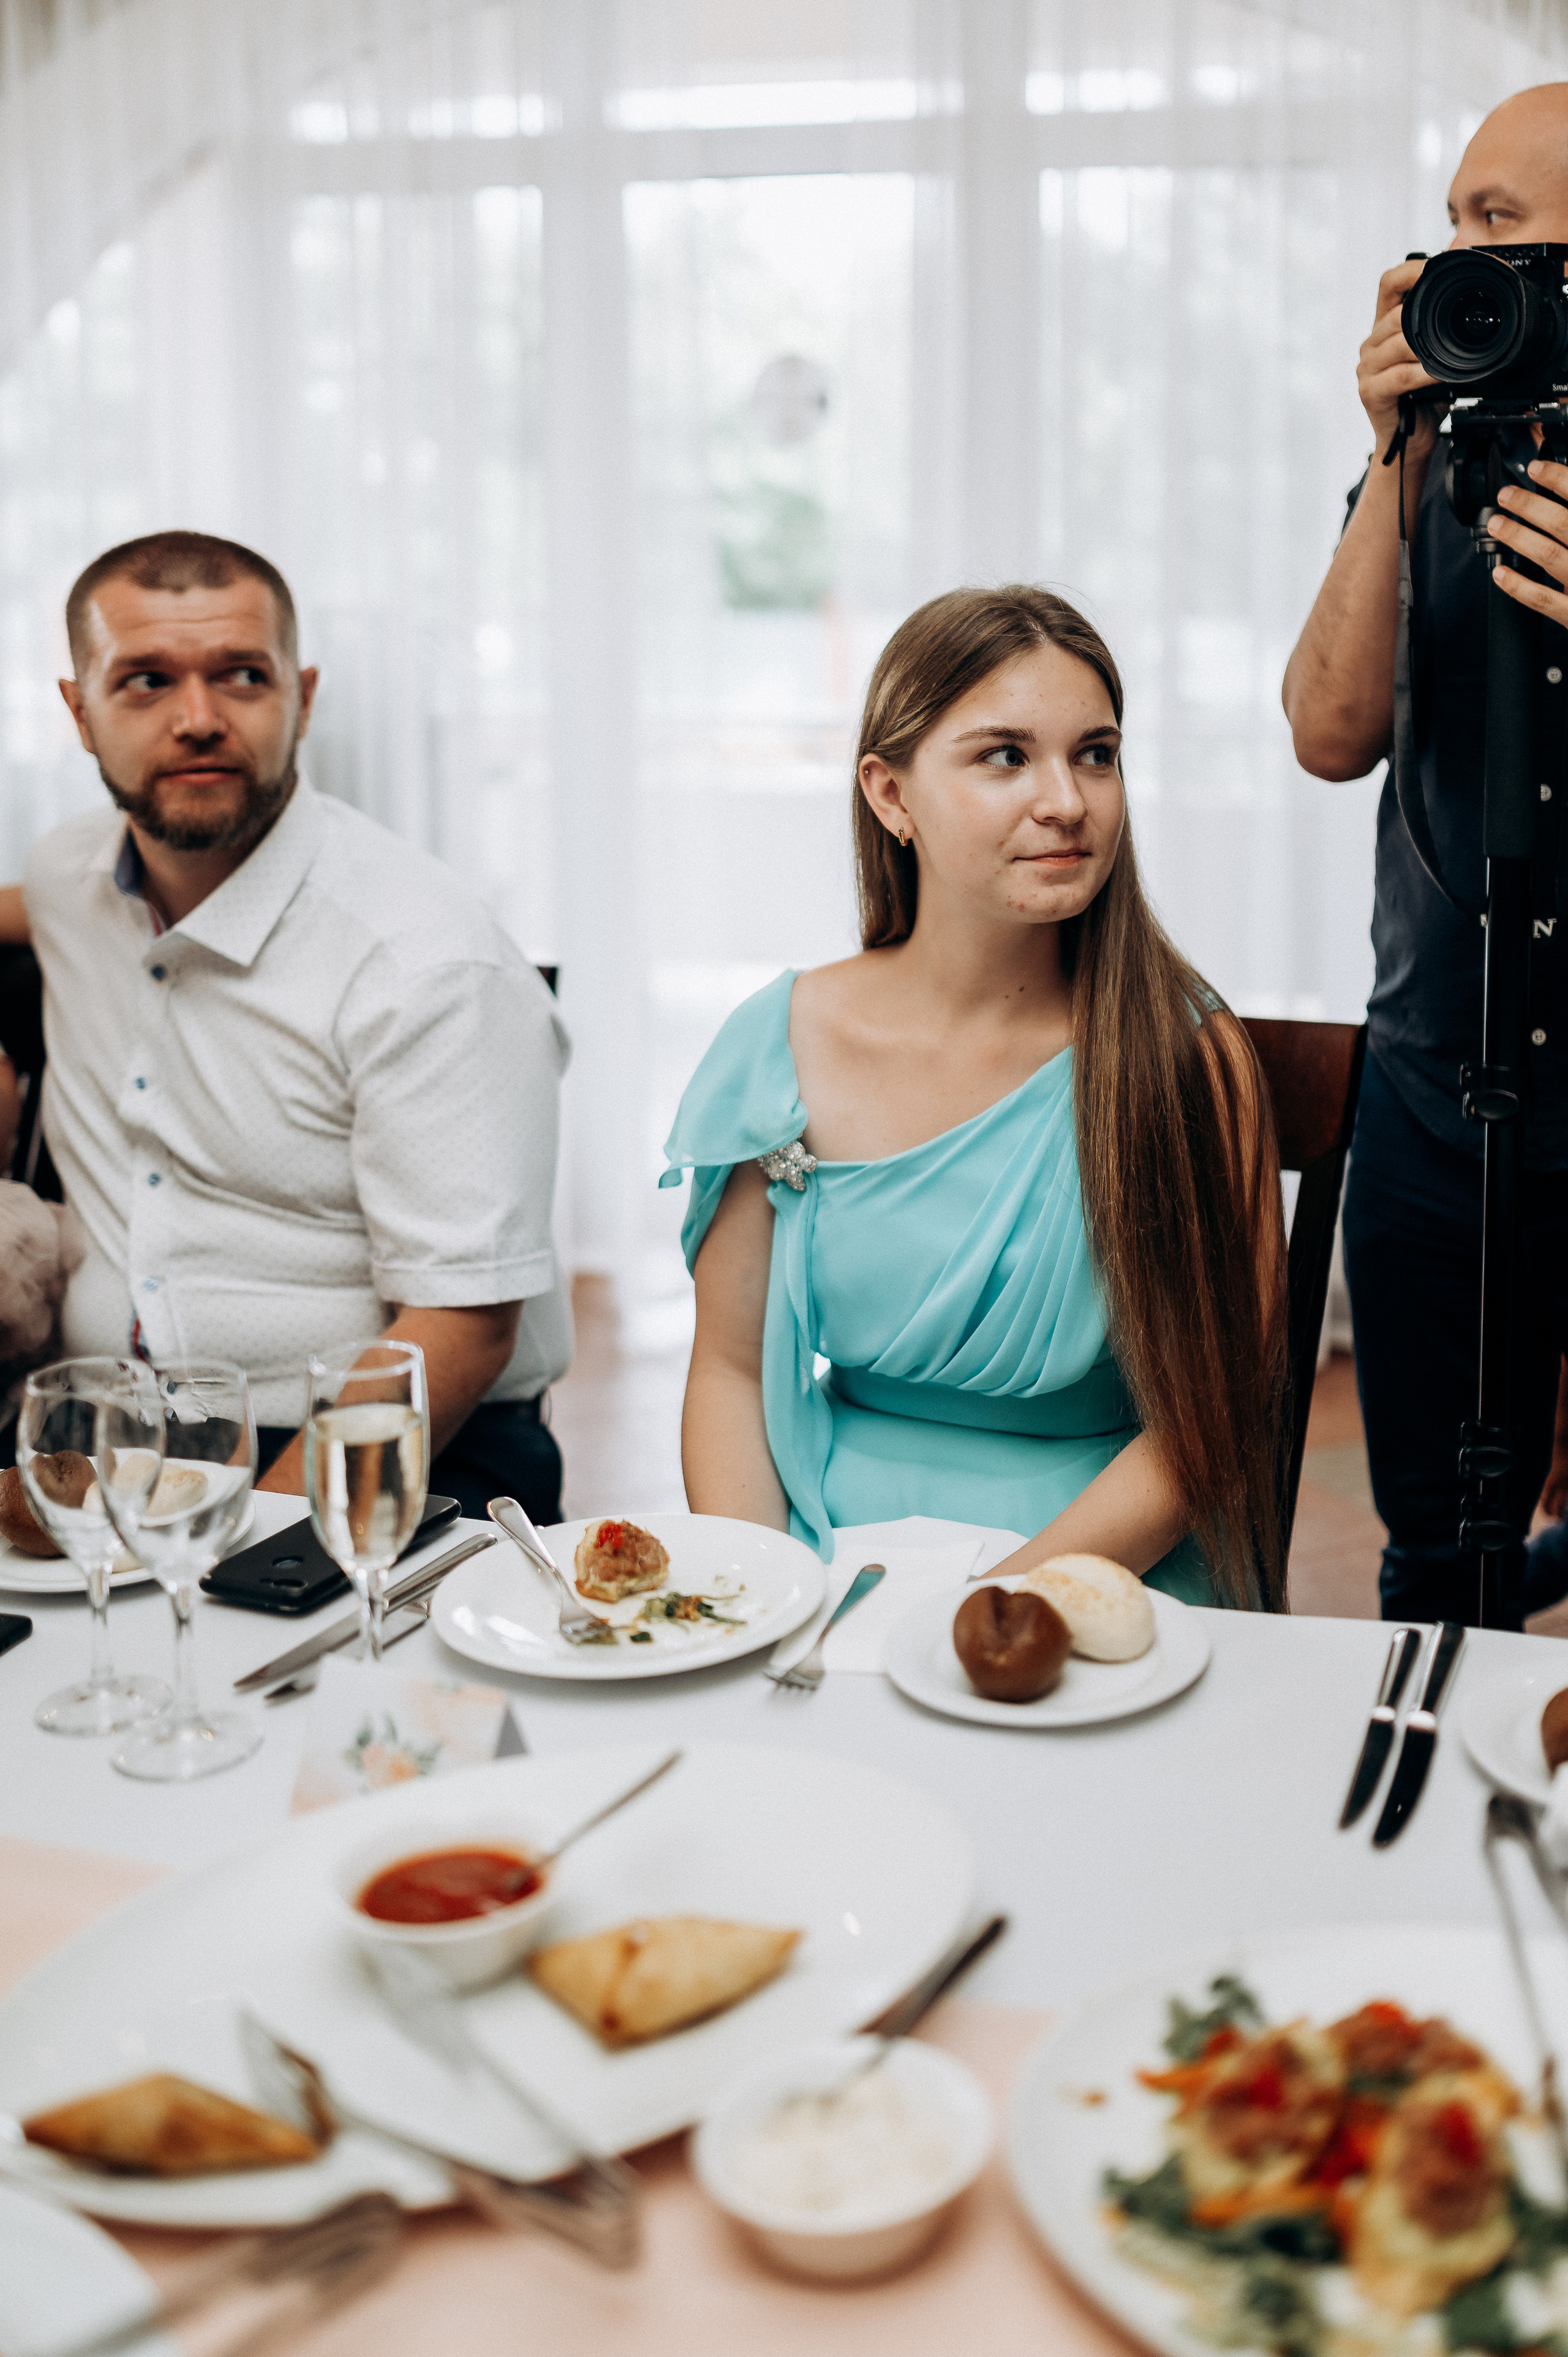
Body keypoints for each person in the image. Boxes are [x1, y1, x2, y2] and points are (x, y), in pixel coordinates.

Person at [661, 586, 1288, 1608]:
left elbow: (1207, 1425)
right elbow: (730, 1373)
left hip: (1104, 1566)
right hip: (831, 1556)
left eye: (1096, 754)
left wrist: (988, 1607)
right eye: (1005, 756)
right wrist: (761, 1594)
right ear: (890, 794)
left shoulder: (1189, 1059)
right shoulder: (779, 1046)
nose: (1068, 802)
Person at [15, 529, 570, 1522]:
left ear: (301, 700)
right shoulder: (70, 880)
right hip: (100, 1438)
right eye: (144, 682)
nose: (197, 719)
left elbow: (463, 1330)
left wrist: (251, 1555)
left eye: (241, 677)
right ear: (79, 712)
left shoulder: (426, 961)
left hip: (397, 1433)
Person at [1283, 85, 1568, 1629]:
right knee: (1432, 1551)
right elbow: (1326, 733)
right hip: (1430, 1100)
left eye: (1499, 226)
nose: (1454, 256)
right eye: (1451, 221)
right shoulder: (1420, 468)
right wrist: (1391, 456)